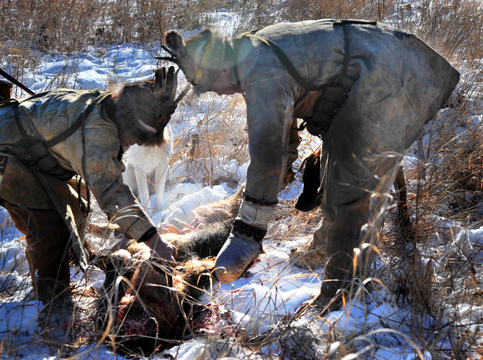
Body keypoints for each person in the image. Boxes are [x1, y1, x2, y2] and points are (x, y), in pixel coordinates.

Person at [161, 20, 459, 306]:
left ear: (221, 67)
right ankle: (323, 249)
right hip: (371, 76)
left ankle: (341, 291)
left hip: (393, 76)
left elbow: (267, 155)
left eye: (212, 85)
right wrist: (285, 162)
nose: (219, 93)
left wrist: (246, 236)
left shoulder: (259, 70)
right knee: (336, 174)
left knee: (351, 190)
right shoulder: (250, 51)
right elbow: (282, 121)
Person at [0, 67, 179, 303]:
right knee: (48, 226)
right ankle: (53, 304)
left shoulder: (106, 106)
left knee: (78, 194)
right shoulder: (97, 135)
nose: (136, 143)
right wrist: (154, 241)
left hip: (20, 144)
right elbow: (112, 193)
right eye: (138, 137)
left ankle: (74, 254)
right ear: (129, 122)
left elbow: (102, 176)